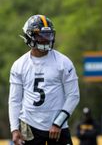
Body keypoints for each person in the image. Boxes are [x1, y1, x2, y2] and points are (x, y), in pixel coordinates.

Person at [8, 14, 80, 145]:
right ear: (29, 36)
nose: (46, 39)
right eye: (41, 36)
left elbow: (73, 96)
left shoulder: (63, 62)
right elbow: (15, 100)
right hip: (29, 126)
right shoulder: (19, 65)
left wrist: (58, 123)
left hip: (59, 126)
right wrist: (14, 129)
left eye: (49, 35)